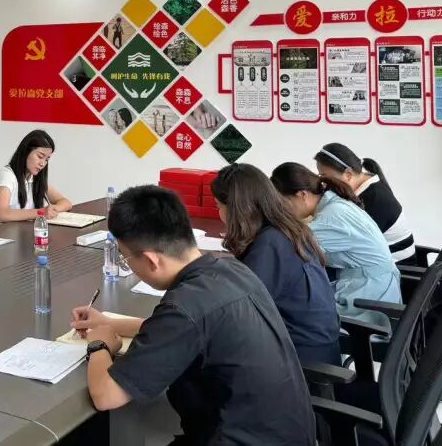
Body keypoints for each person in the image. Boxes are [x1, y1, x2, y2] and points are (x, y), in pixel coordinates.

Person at [71, 185, 314, 445]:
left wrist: (99, 345)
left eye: (125, 257)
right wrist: (108, 322)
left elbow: (106, 396)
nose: (127, 263)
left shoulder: (184, 307)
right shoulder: (230, 269)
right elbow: (183, 329)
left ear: (152, 260)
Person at [210, 164, 341, 365]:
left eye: (219, 206)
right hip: (316, 349)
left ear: (237, 209)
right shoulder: (288, 230)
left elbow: (238, 310)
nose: (219, 214)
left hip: (301, 362)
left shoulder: (271, 244)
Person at [271, 162, 401, 330]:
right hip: (370, 287)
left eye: (284, 203)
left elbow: (288, 246)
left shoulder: (333, 216)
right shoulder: (335, 205)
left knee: (294, 318)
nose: (283, 210)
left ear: (302, 194)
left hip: (369, 297)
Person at [314, 143, 416, 263]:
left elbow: (341, 240)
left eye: (325, 177)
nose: (324, 183)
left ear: (348, 174)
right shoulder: (367, 188)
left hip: (398, 268)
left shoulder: (375, 198)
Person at [0, 130, 72, 224]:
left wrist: (54, 208)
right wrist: (41, 212)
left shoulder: (35, 178)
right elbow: (1, 214)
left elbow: (66, 203)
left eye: (47, 159)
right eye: (40, 156)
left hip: (18, 231)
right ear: (26, 152)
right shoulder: (7, 175)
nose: (42, 164)